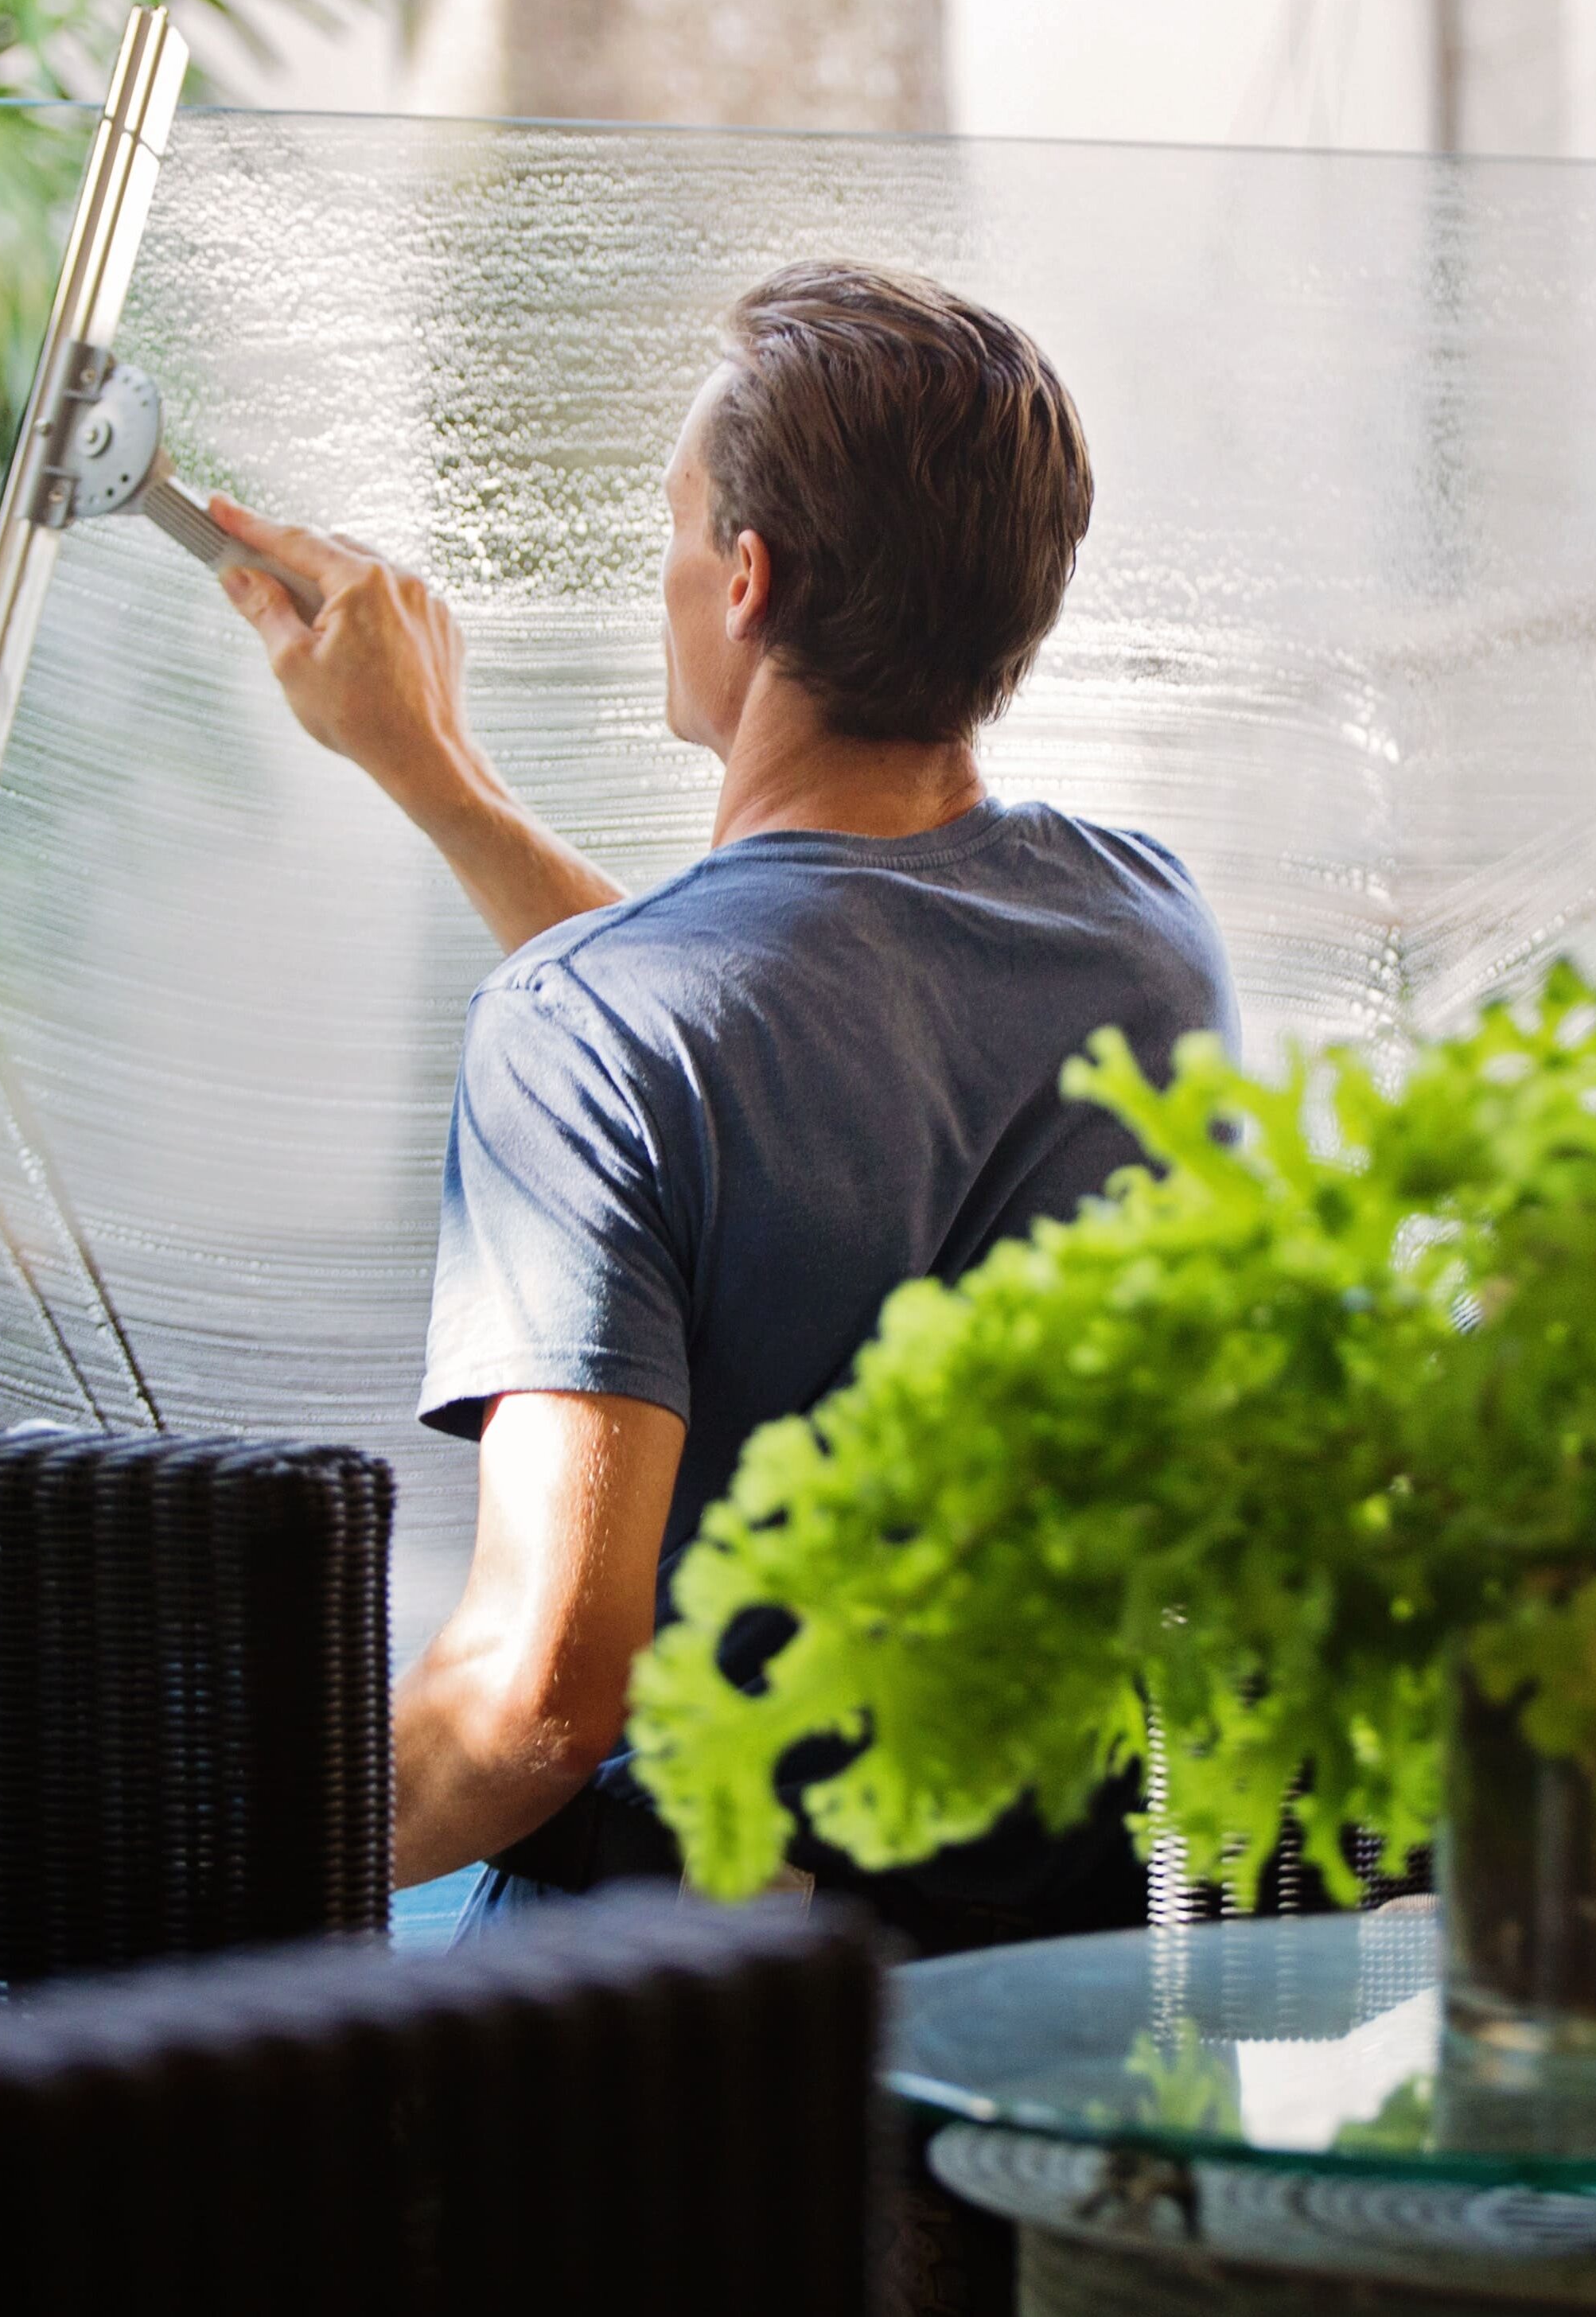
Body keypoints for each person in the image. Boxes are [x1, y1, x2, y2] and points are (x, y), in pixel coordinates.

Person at [206, 261, 1236, 1949]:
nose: (668, 567)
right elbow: (785, 1026)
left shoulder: (596, 1028)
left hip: (690, 2022)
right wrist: (437, 777)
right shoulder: (1146, 934)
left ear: (746, 583)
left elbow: (532, 1709)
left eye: (676, 527)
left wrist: (161, 1848)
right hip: (1046, 1970)